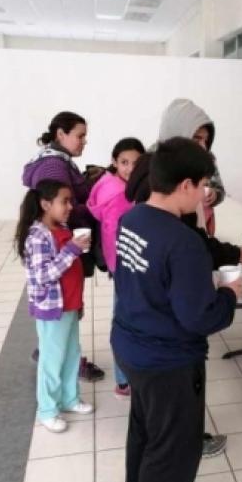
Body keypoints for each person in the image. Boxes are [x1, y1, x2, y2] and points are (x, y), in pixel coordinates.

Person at [111, 137, 242, 482]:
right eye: (202, 186)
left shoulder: (132, 218)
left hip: (130, 346)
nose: (203, 194)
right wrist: (229, 295)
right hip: (167, 364)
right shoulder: (184, 243)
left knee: (145, 434)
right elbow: (200, 317)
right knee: (173, 454)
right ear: (185, 184)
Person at [22, 111, 105, 382]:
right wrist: (95, 206)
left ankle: (54, 352)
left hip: (64, 246)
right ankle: (57, 365)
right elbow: (64, 207)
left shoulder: (57, 160)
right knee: (62, 312)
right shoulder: (54, 167)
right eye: (79, 136)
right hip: (62, 247)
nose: (83, 142)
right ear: (61, 134)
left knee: (64, 314)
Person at [14, 179, 95, 433]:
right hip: (52, 309)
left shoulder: (62, 227)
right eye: (64, 201)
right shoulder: (38, 236)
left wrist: (79, 302)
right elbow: (42, 275)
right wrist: (71, 249)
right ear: (46, 204)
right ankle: (47, 410)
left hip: (69, 305)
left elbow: (72, 272)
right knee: (52, 359)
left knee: (72, 354)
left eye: (70, 201)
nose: (70, 206)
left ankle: (69, 399)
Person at [87, 137, 145, 400]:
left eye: (135, 162)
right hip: (126, 265)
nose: (130, 168)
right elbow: (113, 236)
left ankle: (126, 377)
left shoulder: (107, 184)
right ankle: (124, 380)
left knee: (124, 316)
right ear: (114, 162)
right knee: (124, 319)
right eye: (124, 162)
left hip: (121, 264)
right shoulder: (119, 192)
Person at [151, 99, 226, 235]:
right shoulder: (152, 160)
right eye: (197, 139)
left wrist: (215, 195)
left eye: (206, 140)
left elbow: (220, 190)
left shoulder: (207, 158)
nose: (203, 146)